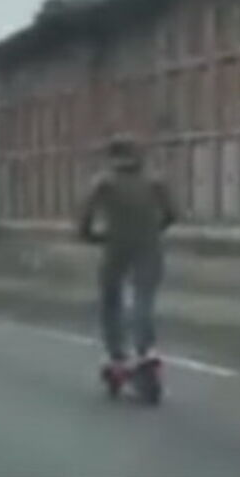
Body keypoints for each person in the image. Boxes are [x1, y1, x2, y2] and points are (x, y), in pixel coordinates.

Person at [77, 136, 176, 371]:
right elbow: (172, 214)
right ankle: (146, 349)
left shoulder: (104, 183)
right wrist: (153, 230)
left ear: (112, 157)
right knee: (144, 299)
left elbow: (85, 218)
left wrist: (94, 237)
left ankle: (116, 355)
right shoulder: (155, 182)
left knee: (111, 300)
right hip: (149, 248)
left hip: (115, 247)